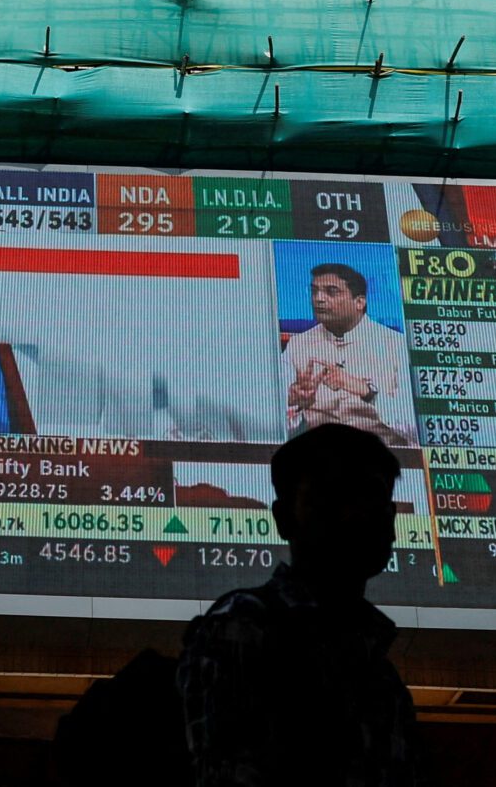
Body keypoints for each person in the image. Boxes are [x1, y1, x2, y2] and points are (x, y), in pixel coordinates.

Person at [178, 424, 421, 787]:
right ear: (284, 517)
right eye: (336, 495)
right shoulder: (243, 627)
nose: (360, 512)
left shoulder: (382, 677)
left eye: (374, 495)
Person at [281, 263, 418, 446]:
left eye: (331, 291)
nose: (318, 299)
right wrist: (292, 402)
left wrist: (369, 393)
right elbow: (273, 427)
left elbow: (419, 429)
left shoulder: (396, 345)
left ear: (360, 302)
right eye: (314, 291)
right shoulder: (298, 345)